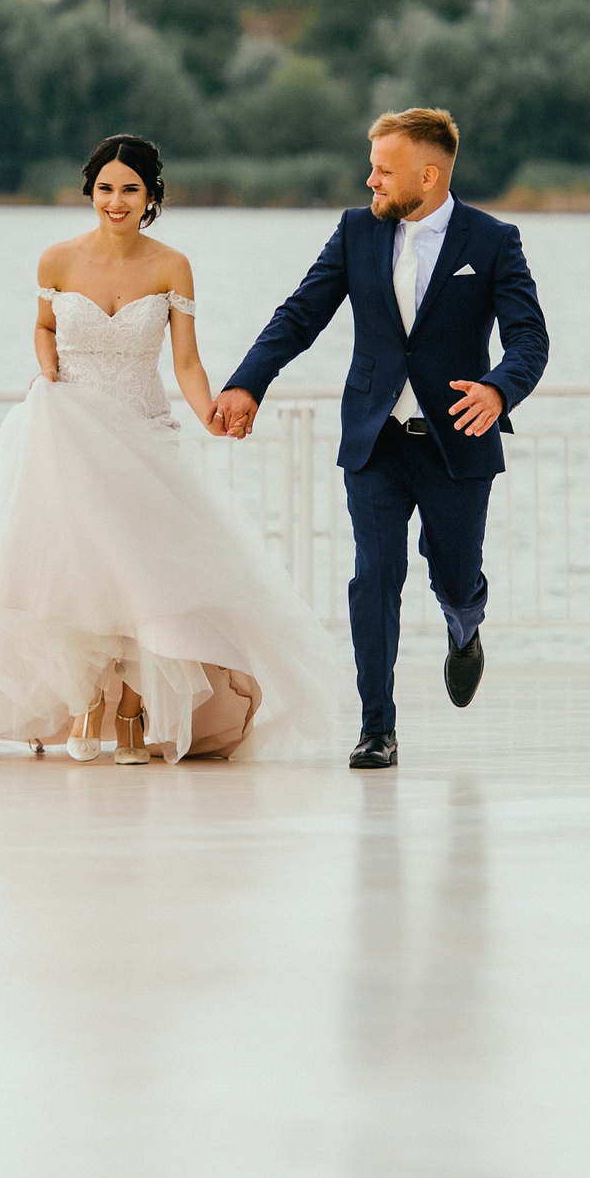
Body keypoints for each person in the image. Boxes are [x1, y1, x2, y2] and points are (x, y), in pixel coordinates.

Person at [0, 134, 345, 765]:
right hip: (66, 432)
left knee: (143, 575)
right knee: (77, 573)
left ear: (151, 195)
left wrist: (210, 409)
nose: (116, 201)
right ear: (89, 191)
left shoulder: (171, 265)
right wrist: (47, 371)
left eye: (130, 189)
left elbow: (185, 359)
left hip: (140, 432)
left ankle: (132, 711)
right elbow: (44, 327)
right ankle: (88, 703)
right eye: (105, 188)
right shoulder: (56, 260)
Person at [212, 108, 549, 770]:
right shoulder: (355, 232)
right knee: (375, 575)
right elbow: (300, 314)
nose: (369, 179)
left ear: (428, 174)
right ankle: (377, 727)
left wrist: (499, 387)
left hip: (457, 441)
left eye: (383, 169)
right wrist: (247, 382)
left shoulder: (493, 240)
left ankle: (464, 624)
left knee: (452, 573)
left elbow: (530, 337)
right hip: (376, 441)